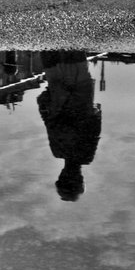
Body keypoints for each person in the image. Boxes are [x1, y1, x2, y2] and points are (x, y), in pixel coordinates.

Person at [37, 51, 101, 201]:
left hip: (80, 91)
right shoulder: (57, 151)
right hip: (58, 89)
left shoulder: (86, 155)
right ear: (61, 175)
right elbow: (49, 122)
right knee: (50, 49)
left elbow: (94, 125)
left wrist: (96, 111)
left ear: (80, 178)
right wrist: (45, 101)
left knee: (74, 49)